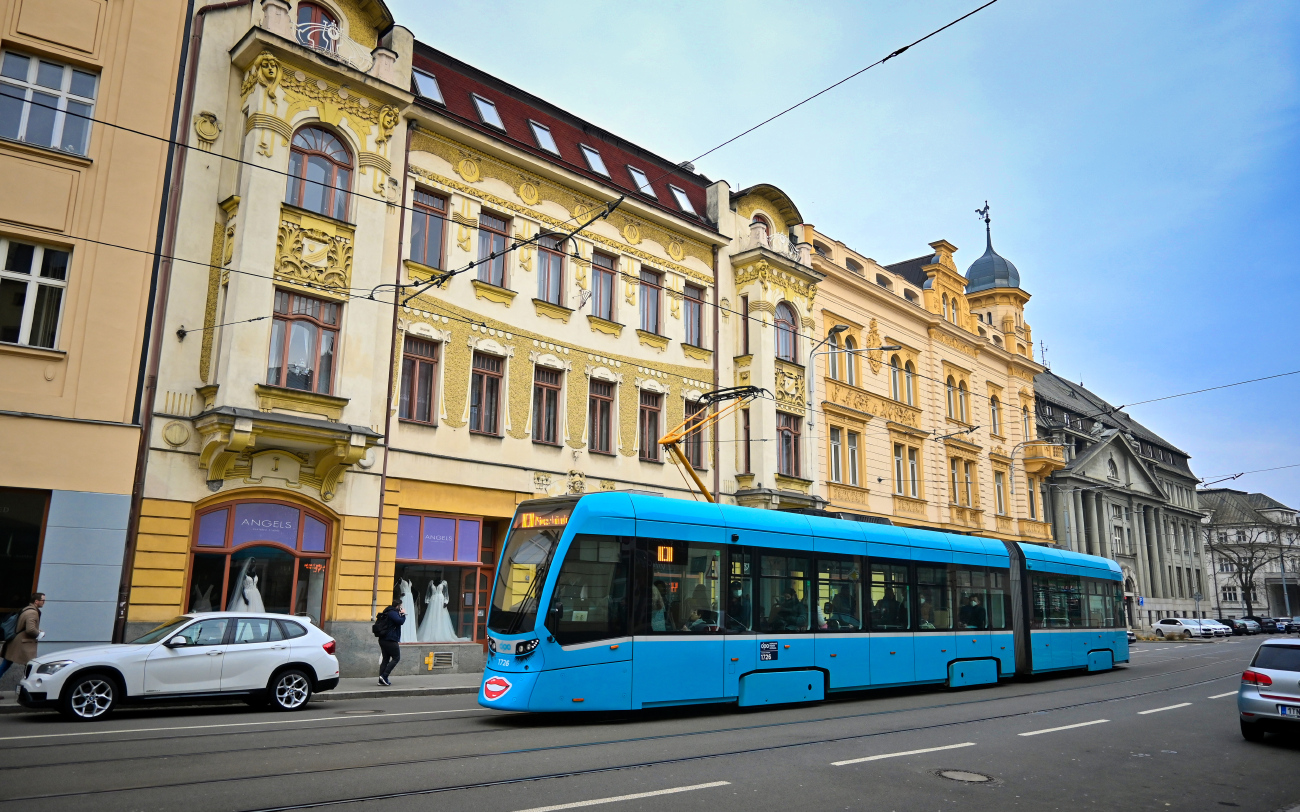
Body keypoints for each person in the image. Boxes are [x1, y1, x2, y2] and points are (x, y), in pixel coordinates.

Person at [0, 593, 45, 692]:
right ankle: (27, 690)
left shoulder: (26, 609)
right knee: (30, 666)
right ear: (36, 601)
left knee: (5, 665)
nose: (44, 602)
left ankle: (25, 690)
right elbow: (30, 629)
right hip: (23, 644)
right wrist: (39, 634)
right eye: (43, 600)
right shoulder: (32, 612)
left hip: (16, 643)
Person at [375, 599, 405, 686]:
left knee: (385, 659)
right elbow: (400, 621)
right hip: (390, 639)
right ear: (398, 606)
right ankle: (384, 676)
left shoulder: (387, 611)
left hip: (383, 639)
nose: (401, 607)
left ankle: (381, 680)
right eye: (401, 606)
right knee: (396, 658)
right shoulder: (392, 613)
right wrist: (403, 614)